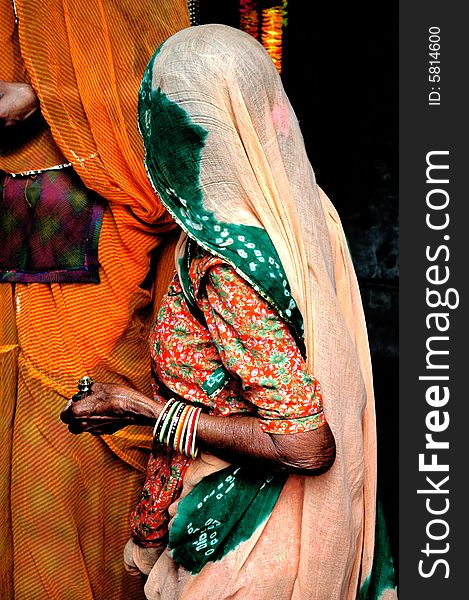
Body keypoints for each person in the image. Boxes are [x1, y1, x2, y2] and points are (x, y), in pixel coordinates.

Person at [61, 24, 397, 600]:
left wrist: (141, 408)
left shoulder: (224, 269)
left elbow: (307, 445)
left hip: (251, 546)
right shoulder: (299, 206)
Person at [0, 1, 190, 599]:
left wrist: (45, 92)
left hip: (95, 259)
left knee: (64, 462)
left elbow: (163, 105)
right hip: (17, 265)